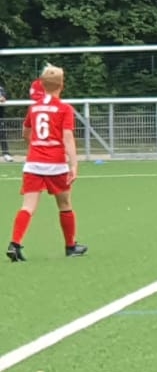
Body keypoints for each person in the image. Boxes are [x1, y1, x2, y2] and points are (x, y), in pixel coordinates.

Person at [6, 65, 88, 262]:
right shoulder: (64, 109)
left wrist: (36, 145)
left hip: (33, 163)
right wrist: (74, 164)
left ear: (42, 84)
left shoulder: (34, 108)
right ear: (62, 85)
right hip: (56, 164)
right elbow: (67, 137)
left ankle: (15, 244)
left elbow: (26, 132)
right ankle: (70, 246)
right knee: (65, 204)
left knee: (28, 206)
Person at [0, 79, 12, 163]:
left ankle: (6, 154)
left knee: (2, 135)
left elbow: (3, 98)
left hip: (0, 117)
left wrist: (2, 98)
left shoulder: (1, 89)